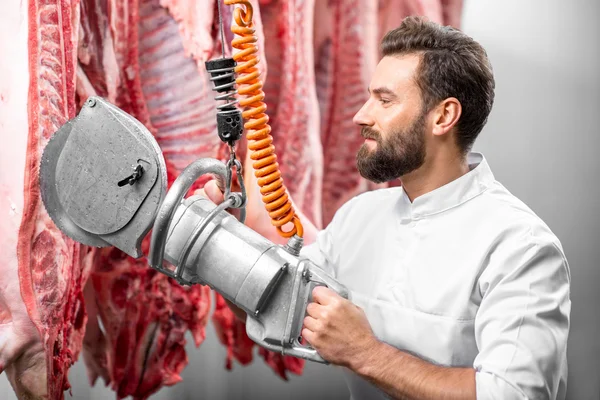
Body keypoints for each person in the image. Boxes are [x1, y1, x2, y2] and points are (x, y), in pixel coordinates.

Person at [199, 16, 571, 400]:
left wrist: (365, 353)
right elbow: (275, 306)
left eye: (384, 99)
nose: (361, 115)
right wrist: (217, 246)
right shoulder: (359, 217)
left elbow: (513, 394)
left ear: (443, 117)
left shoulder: (520, 246)